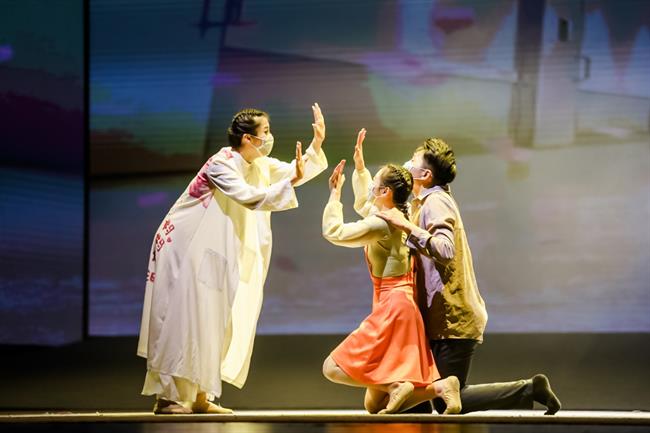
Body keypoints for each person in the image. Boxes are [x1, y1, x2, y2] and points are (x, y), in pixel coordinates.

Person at [137, 104, 328, 414]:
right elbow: (249, 196)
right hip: (184, 247)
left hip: (210, 250)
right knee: (183, 317)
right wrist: (291, 182)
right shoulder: (221, 164)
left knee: (214, 317)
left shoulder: (258, 163)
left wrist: (316, 145)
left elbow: (293, 171)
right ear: (248, 138)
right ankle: (168, 397)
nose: (270, 137)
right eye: (265, 132)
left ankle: (200, 396)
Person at [375, 137, 561, 415]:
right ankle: (528, 390)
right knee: (419, 397)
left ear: (425, 175)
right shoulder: (423, 203)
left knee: (445, 398)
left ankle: (530, 390)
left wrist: (406, 227)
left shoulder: (436, 202)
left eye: (412, 162)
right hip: (437, 318)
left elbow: (445, 249)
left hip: (452, 318)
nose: (407, 165)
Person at [320, 129, 462, 415]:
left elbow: (334, 232)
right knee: (373, 405)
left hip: (393, 306)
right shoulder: (399, 213)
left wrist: (334, 195)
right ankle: (440, 388)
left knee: (332, 368)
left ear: (385, 192)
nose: (371, 188)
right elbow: (366, 206)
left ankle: (394, 385)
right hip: (401, 304)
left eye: (374, 183)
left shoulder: (382, 223)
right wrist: (361, 170)